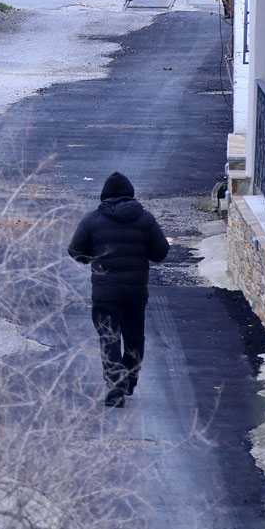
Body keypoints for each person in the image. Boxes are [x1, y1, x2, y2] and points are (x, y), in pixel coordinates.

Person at [67, 173, 169, 407]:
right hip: (135, 292)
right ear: (130, 195)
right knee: (134, 337)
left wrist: (93, 259)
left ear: (105, 196)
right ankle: (130, 379)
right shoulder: (146, 220)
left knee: (109, 337)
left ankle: (116, 385)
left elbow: (75, 251)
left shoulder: (92, 220)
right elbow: (160, 253)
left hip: (105, 293)